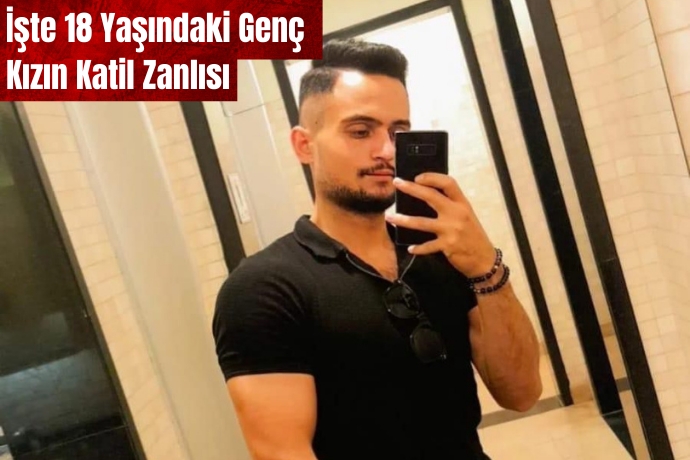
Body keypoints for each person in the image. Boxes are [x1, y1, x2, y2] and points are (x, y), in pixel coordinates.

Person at [212, 38, 542, 460]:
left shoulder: (439, 252)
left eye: (398, 132)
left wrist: (485, 266)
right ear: (304, 145)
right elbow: (283, 452)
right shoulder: (264, 289)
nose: (386, 150)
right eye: (360, 131)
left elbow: (522, 392)